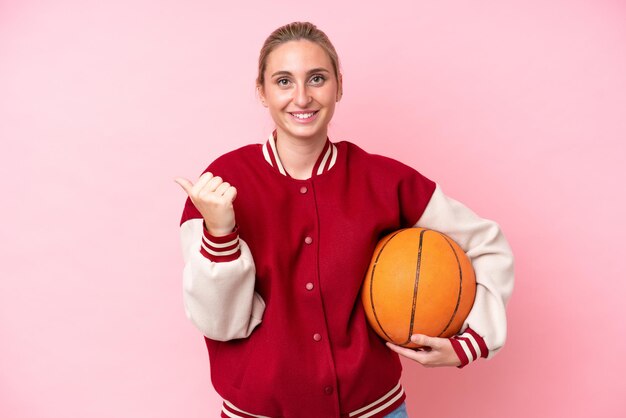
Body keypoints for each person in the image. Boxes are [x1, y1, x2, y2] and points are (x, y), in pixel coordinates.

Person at [176, 21, 514, 418]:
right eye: (284, 81)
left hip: (376, 410)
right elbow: (219, 324)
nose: (301, 97)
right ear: (261, 91)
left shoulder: (385, 179)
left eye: (316, 78)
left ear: (338, 84)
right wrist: (220, 233)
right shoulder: (221, 184)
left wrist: (470, 342)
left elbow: (486, 242)